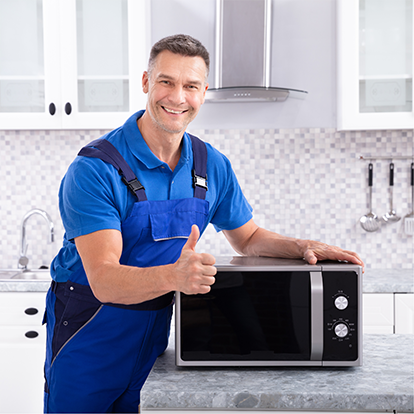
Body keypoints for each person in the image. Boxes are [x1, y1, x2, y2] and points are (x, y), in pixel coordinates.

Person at [43, 34, 364, 413]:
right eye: (166, 82)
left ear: (203, 91)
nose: (177, 97)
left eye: (190, 86)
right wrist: (175, 278)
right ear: (146, 83)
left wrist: (301, 247)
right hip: (88, 339)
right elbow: (104, 279)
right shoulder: (96, 169)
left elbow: (248, 238)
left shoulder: (210, 164)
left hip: (152, 346)